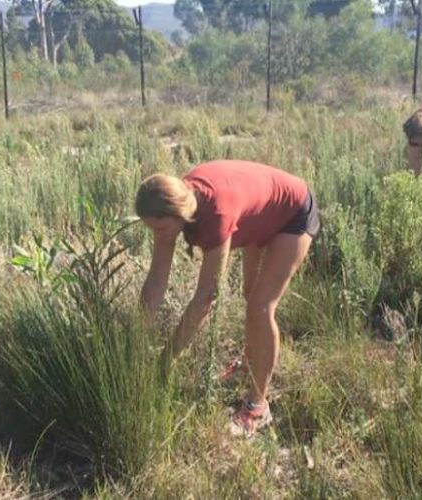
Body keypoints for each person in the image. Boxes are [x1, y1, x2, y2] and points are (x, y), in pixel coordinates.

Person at [136, 160, 320, 437]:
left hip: (292, 212)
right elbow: (156, 283)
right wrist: (136, 340)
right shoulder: (172, 208)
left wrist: (166, 360)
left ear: (180, 215)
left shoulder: (216, 216)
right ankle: (250, 361)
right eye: (150, 228)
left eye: (160, 229)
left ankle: (258, 407)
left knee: (260, 307)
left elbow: (205, 299)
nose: (156, 235)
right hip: (260, 213)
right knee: (250, 295)